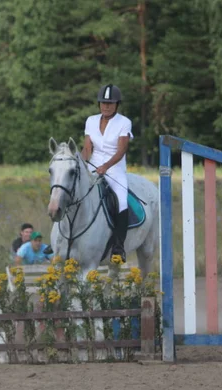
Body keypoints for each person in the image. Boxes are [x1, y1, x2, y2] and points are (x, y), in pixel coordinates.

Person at [81, 83, 133, 262]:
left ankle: (119, 246)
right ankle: (61, 237)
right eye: (103, 103)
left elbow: (121, 151)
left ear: (117, 104)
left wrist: (106, 166)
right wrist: (82, 163)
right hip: (92, 166)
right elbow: (87, 147)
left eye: (110, 103)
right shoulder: (91, 120)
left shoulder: (124, 122)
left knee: (122, 200)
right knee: (72, 191)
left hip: (115, 169)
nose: (106, 106)